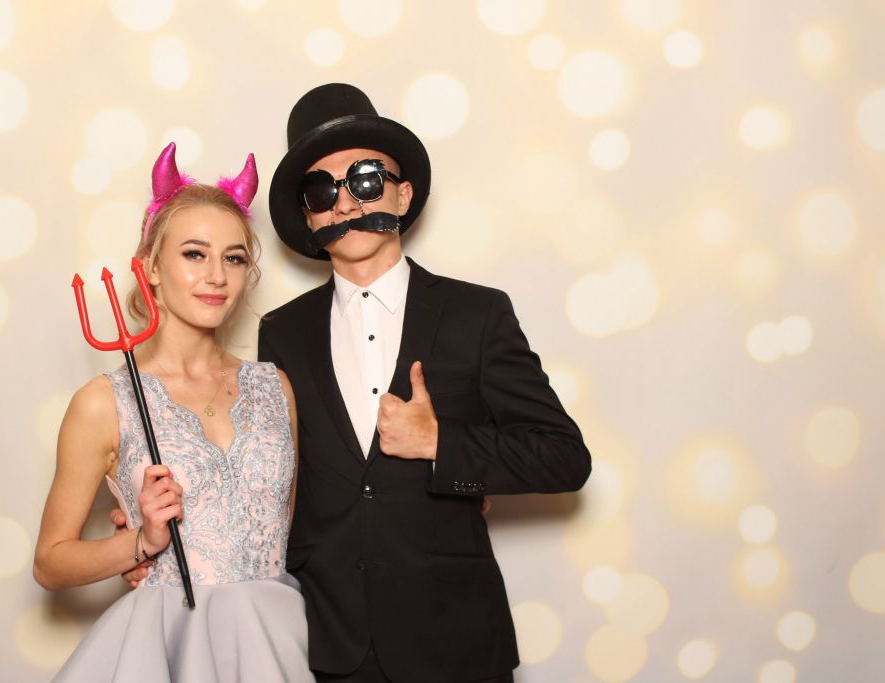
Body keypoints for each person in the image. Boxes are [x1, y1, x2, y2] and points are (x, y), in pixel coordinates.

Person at [256, 83, 593, 682]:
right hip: (328, 642)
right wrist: (156, 537)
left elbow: (564, 458)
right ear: (308, 217)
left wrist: (442, 444)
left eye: (365, 180)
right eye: (321, 190)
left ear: (403, 192)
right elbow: (269, 477)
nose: (346, 203)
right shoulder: (280, 332)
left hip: (454, 640)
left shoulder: (477, 314)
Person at [33, 143, 314, 682]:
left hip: (276, 640)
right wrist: (141, 544)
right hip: (169, 645)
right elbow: (50, 562)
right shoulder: (104, 402)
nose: (217, 276)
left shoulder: (275, 388)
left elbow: (286, 531)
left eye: (234, 258)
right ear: (151, 269)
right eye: (194, 254)